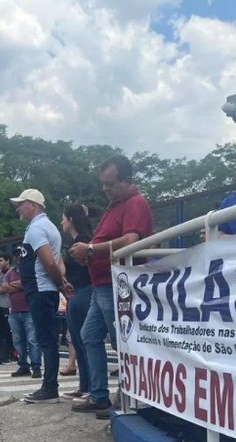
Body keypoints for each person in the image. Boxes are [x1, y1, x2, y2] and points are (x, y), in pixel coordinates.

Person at [69, 155, 154, 416]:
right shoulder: (115, 204)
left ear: (126, 180)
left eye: (110, 184)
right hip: (103, 282)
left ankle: (132, 398)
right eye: (103, 184)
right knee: (90, 335)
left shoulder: (134, 203)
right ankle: (99, 395)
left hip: (117, 282)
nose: (105, 189)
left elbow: (131, 239)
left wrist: (91, 249)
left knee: (122, 340)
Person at [11, 188, 69, 404]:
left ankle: (50, 388)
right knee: (47, 339)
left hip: (40, 289)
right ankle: (49, 386)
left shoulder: (37, 229)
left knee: (46, 340)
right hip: (44, 289)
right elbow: (58, 261)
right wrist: (61, 283)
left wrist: (60, 284)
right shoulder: (48, 227)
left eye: (21, 203)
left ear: (33, 205)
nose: (18, 207)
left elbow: (50, 263)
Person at [60, 204, 95, 402]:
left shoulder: (82, 241)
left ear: (71, 219)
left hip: (82, 292)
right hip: (77, 291)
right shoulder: (79, 240)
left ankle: (89, 387)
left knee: (83, 341)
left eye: (63, 218)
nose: (61, 222)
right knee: (79, 341)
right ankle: (85, 386)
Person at [0, 247, 40, 378]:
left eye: (20, 254)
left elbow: (30, 283)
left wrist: (13, 285)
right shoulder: (11, 272)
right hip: (14, 311)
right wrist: (21, 285)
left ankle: (36, 365)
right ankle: (23, 365)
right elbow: (3, 287)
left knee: (32, 340)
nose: (19, 257)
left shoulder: (31, 269)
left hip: (29, 310)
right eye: (17, 255)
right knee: (18, 340)